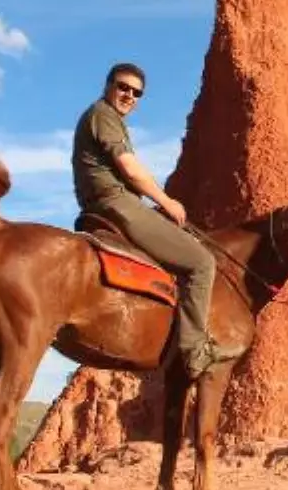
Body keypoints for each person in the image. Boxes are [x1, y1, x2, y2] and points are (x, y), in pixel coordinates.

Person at [71, 61, 244, 379]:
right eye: (123, 87)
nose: (129, 96)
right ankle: (194, 350)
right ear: (108, 85)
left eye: (136, 93)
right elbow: (131, 171)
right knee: (202, 262)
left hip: (108, 202)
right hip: (116, 203)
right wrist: (166, 202)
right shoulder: (103, 116)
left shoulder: (107, 118)